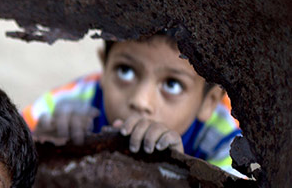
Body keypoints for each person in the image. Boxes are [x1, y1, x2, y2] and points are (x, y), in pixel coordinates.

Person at [22, 34, 243, 176]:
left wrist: (177, 172)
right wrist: (40, 148)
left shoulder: (230, 142)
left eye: (172, 85)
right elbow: (6, 149)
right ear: (104, 67)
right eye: (125, 71)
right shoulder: (72, 103)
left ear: (209, 102)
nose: (140, 101)